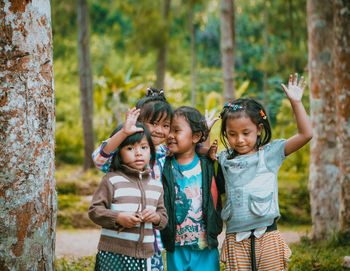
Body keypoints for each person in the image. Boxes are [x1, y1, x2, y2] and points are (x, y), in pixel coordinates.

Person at [214, 73, 313, 271]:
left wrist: (296, 103)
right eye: (232, 134)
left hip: (267, 236)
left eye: (246, 133)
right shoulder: (223, 158)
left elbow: (306, 134)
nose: (239, 139)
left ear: (259, 130)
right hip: (234, 238)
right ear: (225, 133)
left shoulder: (270, 154)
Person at [92, 88, 172, 270]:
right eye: (153, 123)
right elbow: (99, 159)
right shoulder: (121, 155)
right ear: (139, 123)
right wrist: (124, 133)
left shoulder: (163, 154)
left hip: (151, 243)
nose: (160, 130)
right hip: (119, 245)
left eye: (165, 125)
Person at [160, 106, 223, 271]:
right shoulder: (164, 165)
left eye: (176, 130)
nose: (170, 135)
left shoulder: (206, 163)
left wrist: (206, 132)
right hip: (176, 244)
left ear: (196, 136)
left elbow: (204, 150)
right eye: (169, 129)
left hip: (205, 244)